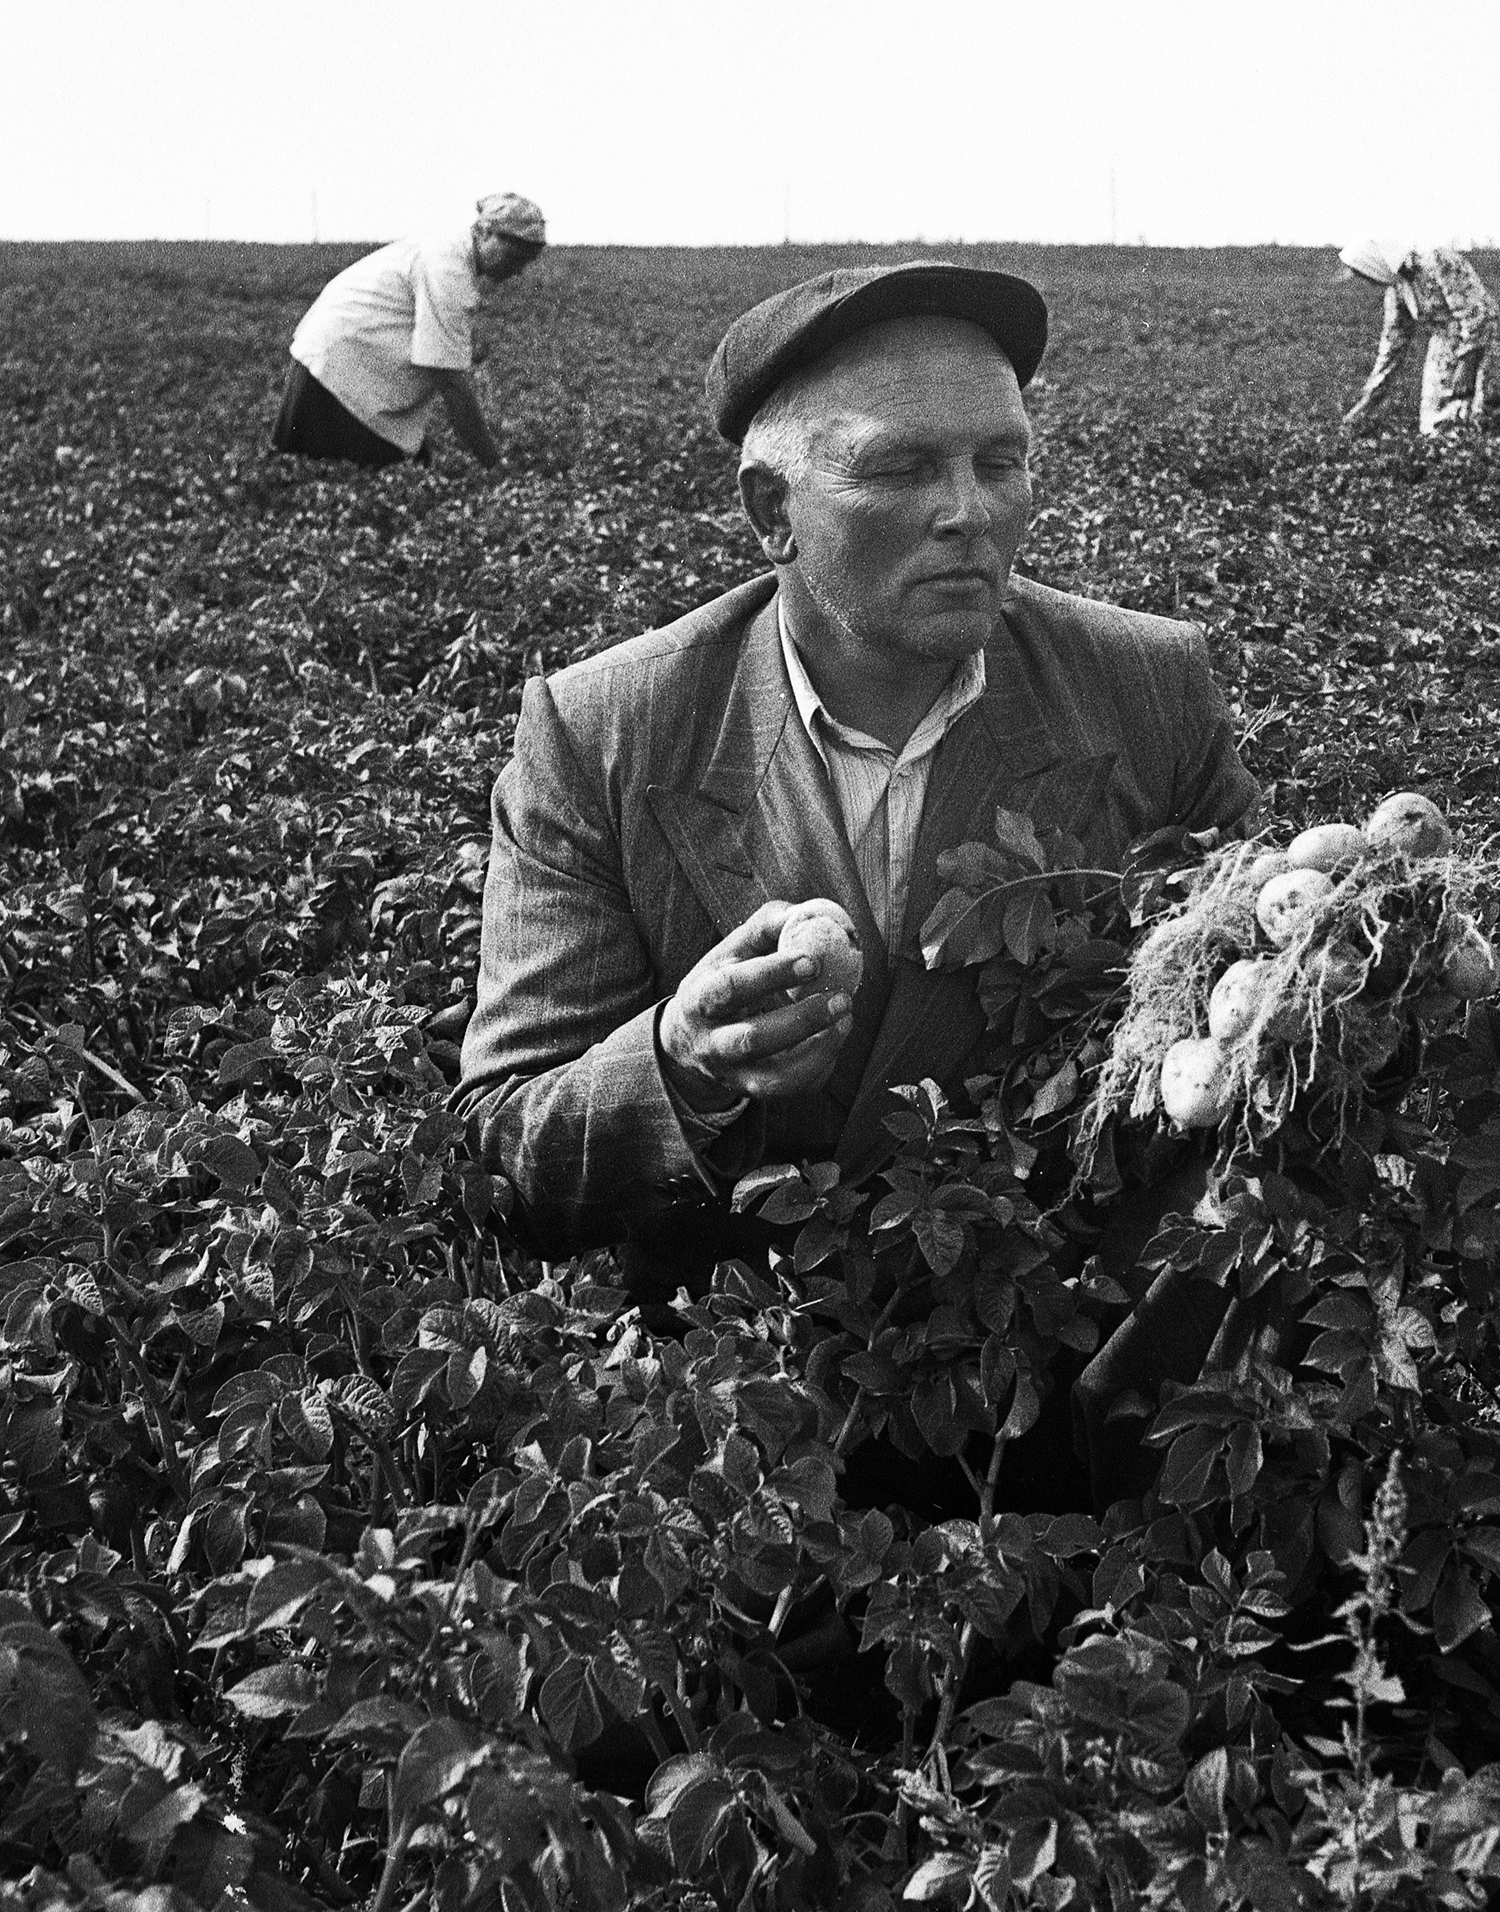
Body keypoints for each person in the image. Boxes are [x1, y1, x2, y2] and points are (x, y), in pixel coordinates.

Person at [455, 261, 1260, 1325]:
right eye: (902, 467)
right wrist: (683, 1064)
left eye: (999, 460)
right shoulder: (606, 731)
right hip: (741, 1390)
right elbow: (507, 1154)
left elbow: (1239, 1040)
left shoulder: (1146, 686)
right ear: (769, 510)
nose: (969, 511)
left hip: (1065, 1346)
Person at [272, 193, 546, 470]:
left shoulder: (450, 249)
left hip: (331, 365)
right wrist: (494, 465)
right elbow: (449, 380)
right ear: (485, 231)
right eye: (514, 257)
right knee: (347, 485)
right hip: (338, 379)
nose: (518, 270)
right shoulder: (449, 269)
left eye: (525, 262)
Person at [1337, 237, 1500, 440]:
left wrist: (1466, 366)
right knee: (1435, 427)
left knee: (1479, 416)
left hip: (1485, 343)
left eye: (1367, 274)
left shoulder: (1437, 259)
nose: (1371, 281)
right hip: (1445, 347)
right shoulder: (1397, 289)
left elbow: (1474, 315)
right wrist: (1367, 403)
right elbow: (1392, 347)